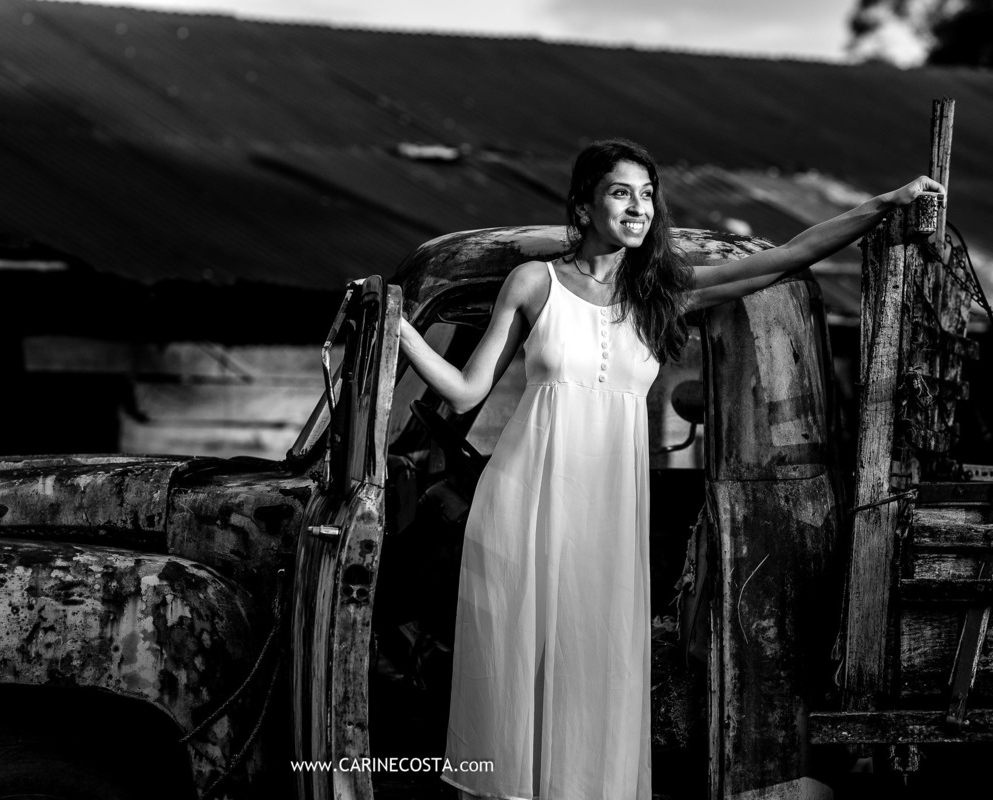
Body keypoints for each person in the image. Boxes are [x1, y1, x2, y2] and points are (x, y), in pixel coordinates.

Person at [396, 138, 944, 800]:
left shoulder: (660, 294)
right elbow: (464, 392)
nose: (639, 207)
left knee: (595, 660)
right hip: (524, 501)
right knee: (515, 665)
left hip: (607, 513)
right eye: (621, 192)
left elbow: (789, 255)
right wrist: (398, 326)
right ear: (583, 205)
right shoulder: (534, 282)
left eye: (647, 195)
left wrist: (885, 203)